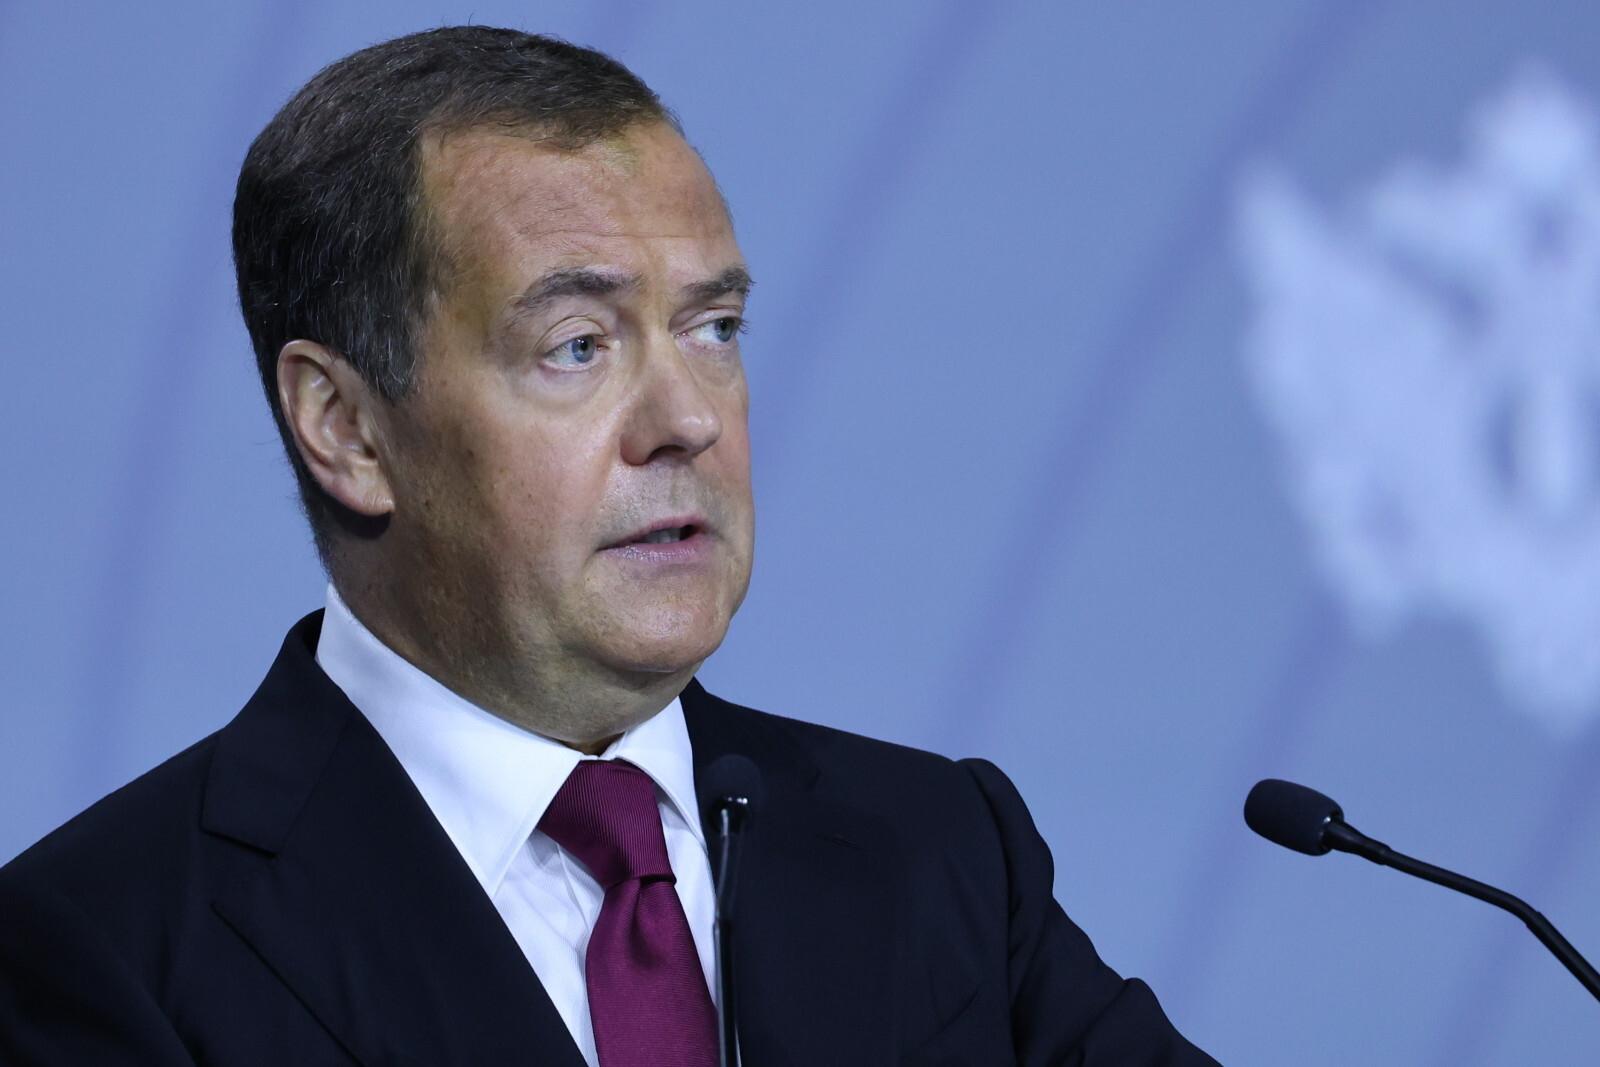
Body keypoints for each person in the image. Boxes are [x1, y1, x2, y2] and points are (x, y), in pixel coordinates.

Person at [0, 26, 1217, 1066]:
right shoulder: (108, 945)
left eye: (713, 327)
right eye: (577, 345)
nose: (687, 418)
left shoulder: (938, 846)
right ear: (349, 429)